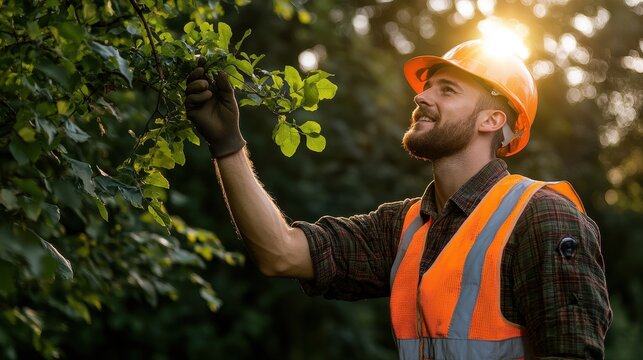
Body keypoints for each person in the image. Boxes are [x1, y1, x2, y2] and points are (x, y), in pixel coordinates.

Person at [185, 39, 612, 359]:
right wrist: (227, 144)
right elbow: (279, 252)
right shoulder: (404, 227)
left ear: (492, 118)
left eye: (446, 90)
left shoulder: (542, 216)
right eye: (427, 89)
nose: (421, 97)